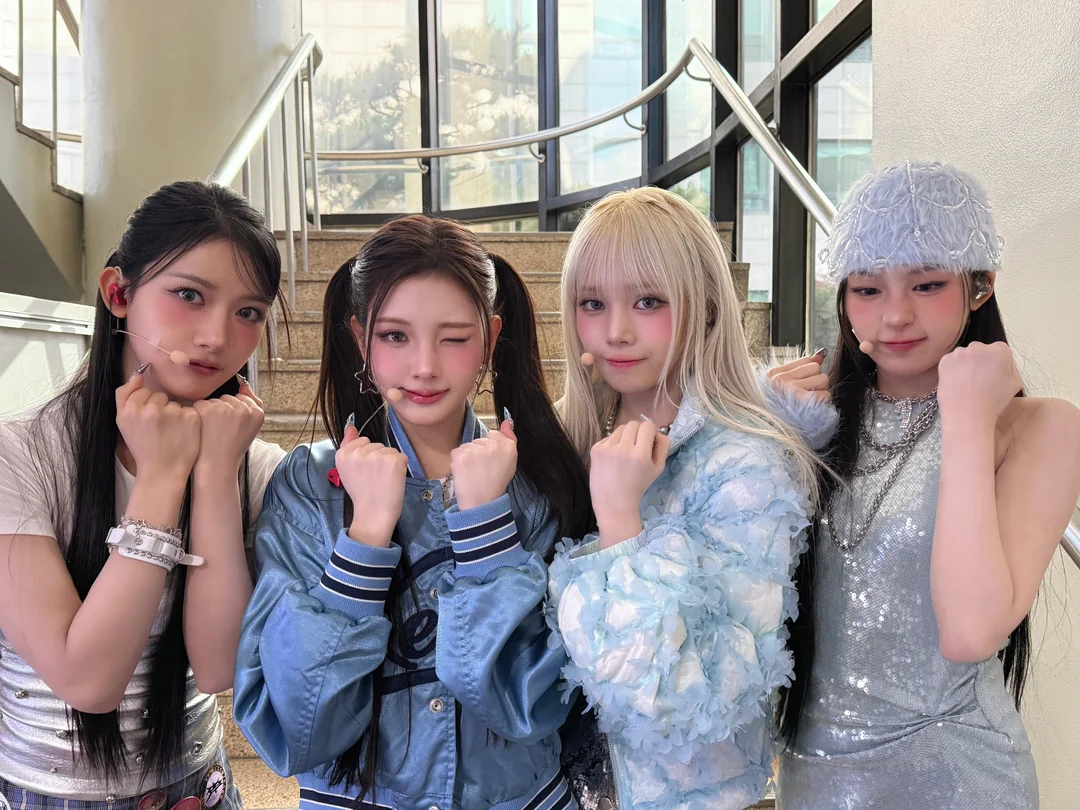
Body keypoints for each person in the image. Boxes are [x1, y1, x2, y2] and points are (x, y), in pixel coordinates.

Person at [233, 215, 594, 810]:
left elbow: (529, 705)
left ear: (491, 337)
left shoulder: (539, 482)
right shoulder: (309, 486)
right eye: (395, 336)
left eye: (453, 338)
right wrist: (365, 538)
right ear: (360, 338)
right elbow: (296, 731)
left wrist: (485, 525)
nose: (425, 366)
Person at [773, 160, 1080, 809]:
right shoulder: (815, 420)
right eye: (867, 289)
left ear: (980, 286)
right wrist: (761, 439)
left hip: (959, 778)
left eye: (927, 284)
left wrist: (966, 420)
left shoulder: (1038, 427)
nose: (895, 315)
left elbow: (969, 633)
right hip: (816, 773)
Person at [0, 181, 286, 808]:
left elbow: (218, 667)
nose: (217, 337)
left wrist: (214, 475)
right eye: (189, 295)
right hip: (45, 794)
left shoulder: (254, 463)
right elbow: (88, 681)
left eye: (248, 312)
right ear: (119, 294)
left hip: (199, 789)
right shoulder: (18, 454)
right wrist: (160, 478)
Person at [546, 187, 826, 810]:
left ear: (704, 306)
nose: (616, 331)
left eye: (649, 301)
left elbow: (704, 697)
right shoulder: (563, 439)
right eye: (592, 303)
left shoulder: (746, 464)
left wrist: (621, 524)